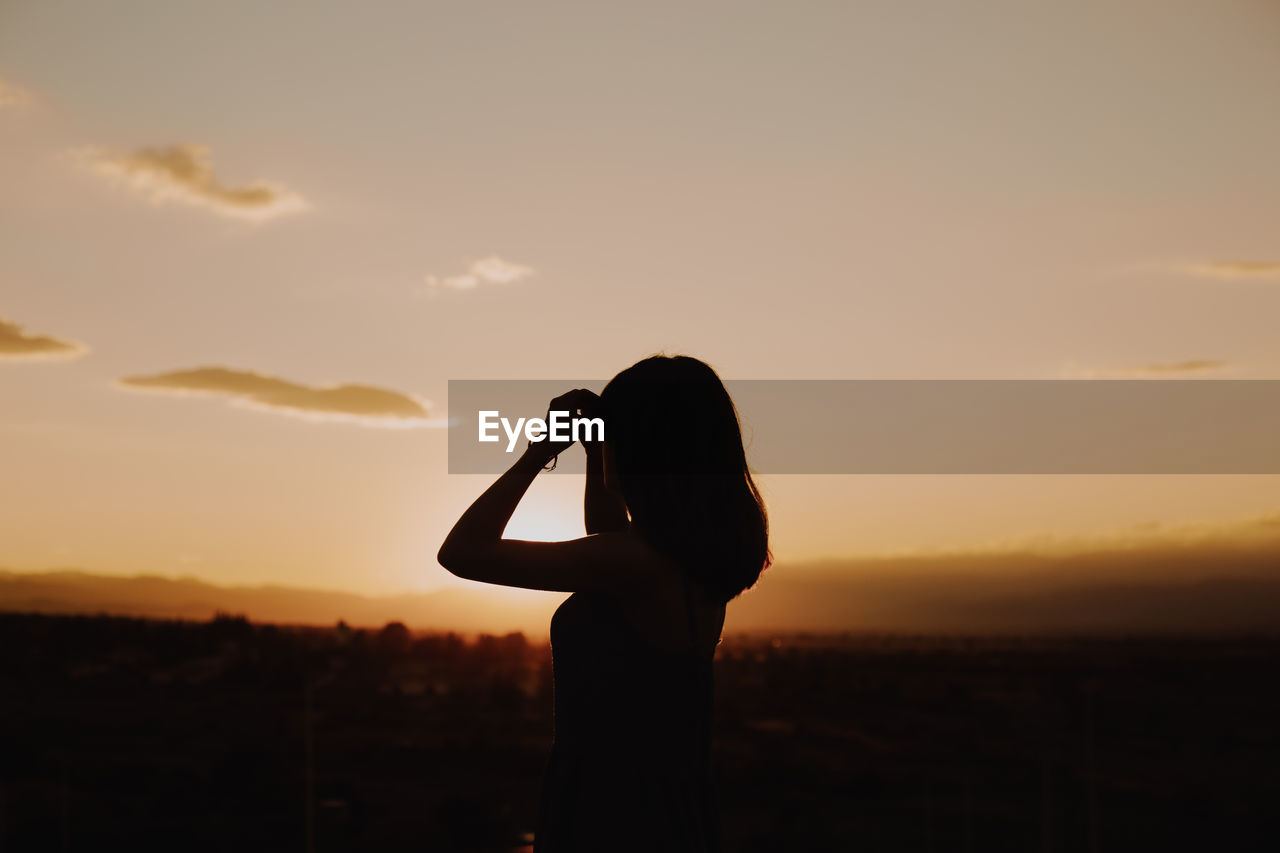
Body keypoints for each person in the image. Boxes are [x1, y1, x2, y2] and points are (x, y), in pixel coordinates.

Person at [438, 354, 770, 852]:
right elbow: (607, 533)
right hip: (664, 806)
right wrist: (595, 452)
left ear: (644, 447)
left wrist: (540, 450)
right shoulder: (684, 559)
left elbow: (463, 552)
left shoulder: (636, 564)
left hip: (610, 812)